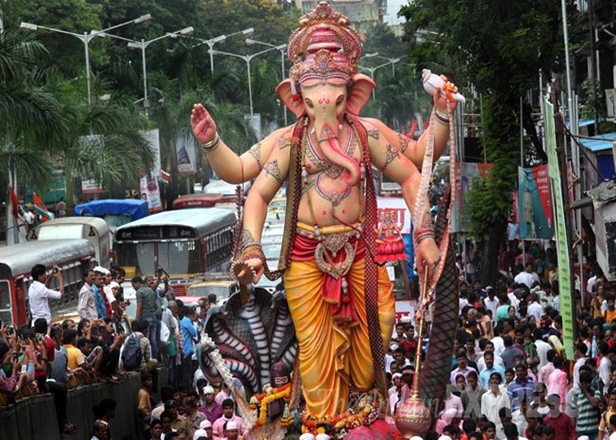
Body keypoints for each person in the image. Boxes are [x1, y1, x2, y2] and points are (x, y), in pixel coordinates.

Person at [191, 2, 453, 418]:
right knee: (314, 353)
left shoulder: (366, 134)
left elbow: (416, 164)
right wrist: (211, 144)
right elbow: (244, 177)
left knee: (382, 320)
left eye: (334, 102)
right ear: (298, 100)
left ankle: (363, 406)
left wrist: (440, 112)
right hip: (305, 256)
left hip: (360, 250)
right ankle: (327, 424)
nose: (324, 116)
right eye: (313, 105)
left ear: (354, 95)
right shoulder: (290, 141)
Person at [133, 276, 159, 363]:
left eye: (133, 286)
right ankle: (154, 359)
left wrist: (136, 321)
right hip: (153, 317)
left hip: (145, 318)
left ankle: (145, 360)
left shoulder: (139, 292)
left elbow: (139, 308)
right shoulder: (151, 290)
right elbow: (156, 306)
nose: (134, 288)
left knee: (145, 340)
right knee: (153, 340)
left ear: (137, 283)